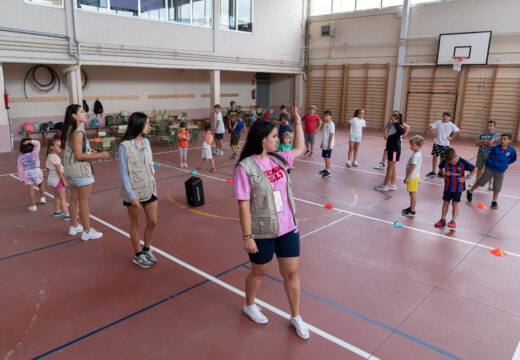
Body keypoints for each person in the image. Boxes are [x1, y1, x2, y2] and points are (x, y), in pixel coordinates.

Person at [232, 107, 309, 340]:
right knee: (259, 272)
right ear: (262, 139)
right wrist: (248, 236)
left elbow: (300, 148)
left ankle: (296, 316)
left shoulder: (279, 158)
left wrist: (297, 123)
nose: (278, 139)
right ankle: (249, 304)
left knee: (292, 274)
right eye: (274, 136)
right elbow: (243, 205)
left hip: (288, 228)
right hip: (262, 231)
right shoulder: (244, 167)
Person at [62, 104, 110, 241]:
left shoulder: (68, 129)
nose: (85, 114)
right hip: (80, 171)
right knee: (84, 202)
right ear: (74, 115)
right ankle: (87, 231)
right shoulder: (78, 132)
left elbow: (75, 151)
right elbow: (79, 156)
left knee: (74, 199)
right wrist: (99, 155)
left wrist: (90, 151)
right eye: (82, 112)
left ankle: (74, 226)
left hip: (71, 170)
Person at [118, 112, 159, 268]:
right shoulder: (124, 146)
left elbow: (149, 164)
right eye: (147, 123)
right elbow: (123, 173)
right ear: (139, 125)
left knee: (153, 222)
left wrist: (154, 185)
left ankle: (147, 250)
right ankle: (137, 254)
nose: (149, 126)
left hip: (149, 188)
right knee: (136, 223)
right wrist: (131, 195)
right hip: (134, 191)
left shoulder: (147, 142)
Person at [467, 133, 516, 209]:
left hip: (501, 171)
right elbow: (489, 157)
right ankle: (470, 191)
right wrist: (489, 164)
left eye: (505, 139)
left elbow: (513, 159)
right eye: (501, 139)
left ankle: (494, 201)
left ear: (510, 141)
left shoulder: (512, 151)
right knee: (481, 182)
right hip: (490, 168)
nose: (502, 140)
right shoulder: (495, 148)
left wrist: (505, 164)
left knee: (497, 186)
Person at [435, 148, 476, 229]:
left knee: (455, 204)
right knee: (445, 203)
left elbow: (475, 169)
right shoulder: (445, 161)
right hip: (448, 186)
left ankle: (453, 221)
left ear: (455, 156)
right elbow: (440, 167)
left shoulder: (462, 162)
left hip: (458, 188)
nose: (450, 163)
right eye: (449, 161)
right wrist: (444, 176)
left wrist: (466, 178)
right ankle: (442, 219)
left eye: (452, 161)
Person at [374, 112, 405, 191]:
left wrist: (396, 123)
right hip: (392, 150)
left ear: (397, 120)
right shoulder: (394, 126)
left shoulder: (398, 126)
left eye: (392, 119)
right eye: (390, 119)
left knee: (389, 168)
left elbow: (402, 131)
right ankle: (393, 184)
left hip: (394, 151)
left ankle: (384, 185)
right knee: (393, 167)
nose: (390, 121)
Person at [426, 111, 460, 177]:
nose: (445, 117)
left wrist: (451, 137)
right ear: (442, 117)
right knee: (435, 157)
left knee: (443, 158)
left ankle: (440, 172)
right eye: (444, 116)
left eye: (447, 116)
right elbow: (429, 126)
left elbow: (458, 131)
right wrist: (433, 134)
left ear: (450, 118)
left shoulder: (451, 125)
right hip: (437, 143)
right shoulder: (439, 122)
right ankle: (433, 171)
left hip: (445, 144)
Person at [17, 138, 46, 211]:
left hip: (27, 173)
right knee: (41, 184)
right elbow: (38, 143)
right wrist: (30, 141)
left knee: (31, 190)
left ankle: (33, 206)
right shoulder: (35, 152)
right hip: (37, 171)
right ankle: (42, 198)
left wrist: (22, 178)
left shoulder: (20, 157)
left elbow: (20, 168)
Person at [46, 138, 70, 220]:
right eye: (58, 146)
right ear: (51, 147)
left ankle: (57, 211)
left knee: (56, 196)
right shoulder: (55, 157)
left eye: (61, 146)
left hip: (51, 179)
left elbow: (48, 169)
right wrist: (63, 180)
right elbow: (59, 171)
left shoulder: (49, 156)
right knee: (63, 198)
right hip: (58, 180)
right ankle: (67, 214)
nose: (60, 148)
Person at [472, 120, 499, 189]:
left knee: (489, 170)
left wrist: (482, 142)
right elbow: (477, 144)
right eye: (487, 125)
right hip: (481, 153)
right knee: (479, 168)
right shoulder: (482, 134)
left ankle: (490, 184)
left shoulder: (495, 134)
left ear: (494, 127)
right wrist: (486, 143)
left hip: (490, 155)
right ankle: (477, 182)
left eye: (490, 126)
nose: (488, 127)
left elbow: (490, 142)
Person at [402, 135, 424, 217]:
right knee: (411, 193)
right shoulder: (417, 153)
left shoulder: (415, 155)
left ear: (419, 145)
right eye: (410, 145)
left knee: (412, 194)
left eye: (413, 145)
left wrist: (407, 177)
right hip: (414, 176)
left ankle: (412, 210)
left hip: (413, 177)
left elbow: (413, 166)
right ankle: (411, 207)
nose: (411, 147)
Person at [319, 110, 335, 178]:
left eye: (327, 116)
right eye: (325, 116)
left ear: (331, 116)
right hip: (324, 143)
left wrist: (329, 144)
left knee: (327, 158)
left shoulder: (331, 124)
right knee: (325, 157)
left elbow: (331, 135)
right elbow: (324, 134)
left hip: (328, 144)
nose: (325, 117)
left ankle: (328, 172)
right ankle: (326, 169)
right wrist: (322, 142)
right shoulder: (325, 123)